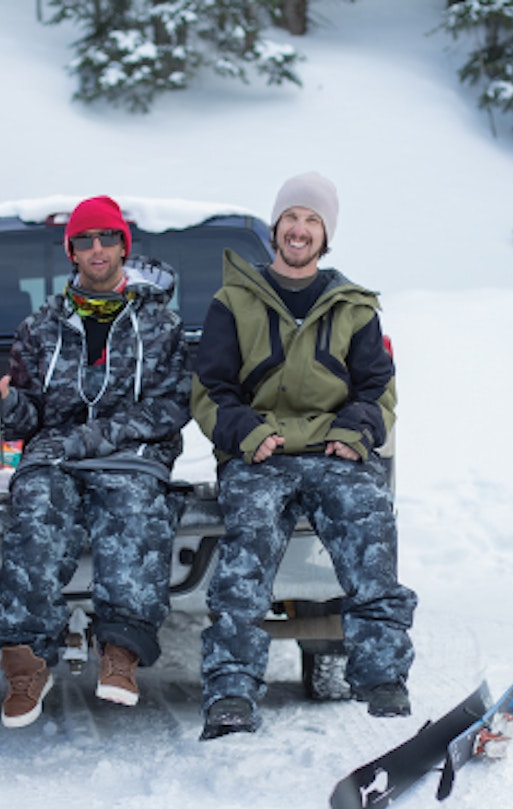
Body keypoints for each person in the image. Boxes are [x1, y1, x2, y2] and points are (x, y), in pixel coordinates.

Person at [190, 172, 417, 740]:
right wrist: (244, 431)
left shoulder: (355, 308)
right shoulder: (233, 302)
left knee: (371, 522)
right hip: (260, 453)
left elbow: (378, 390)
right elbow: (209, 389)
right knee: (247, 550)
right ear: (275, 227)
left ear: (325, 235)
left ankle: (383, 674)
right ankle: (232, 689)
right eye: (292, 217)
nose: (300, 229)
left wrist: (355, 433)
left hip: (333, 452)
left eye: (312, 220)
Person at [0, 195, 190, 728]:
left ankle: (120, 652)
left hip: (132, 457)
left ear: (125, 246)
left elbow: (170, 406)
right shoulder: (40, 328)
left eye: (107, 238)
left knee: (136, 511)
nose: (97, 249)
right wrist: (4, 406)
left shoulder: (161, 326)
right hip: (55, 457)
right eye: (85, 240)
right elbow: (31, 413)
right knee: (35, 512)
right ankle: (26, 661)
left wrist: (92, 438)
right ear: (70, 252)